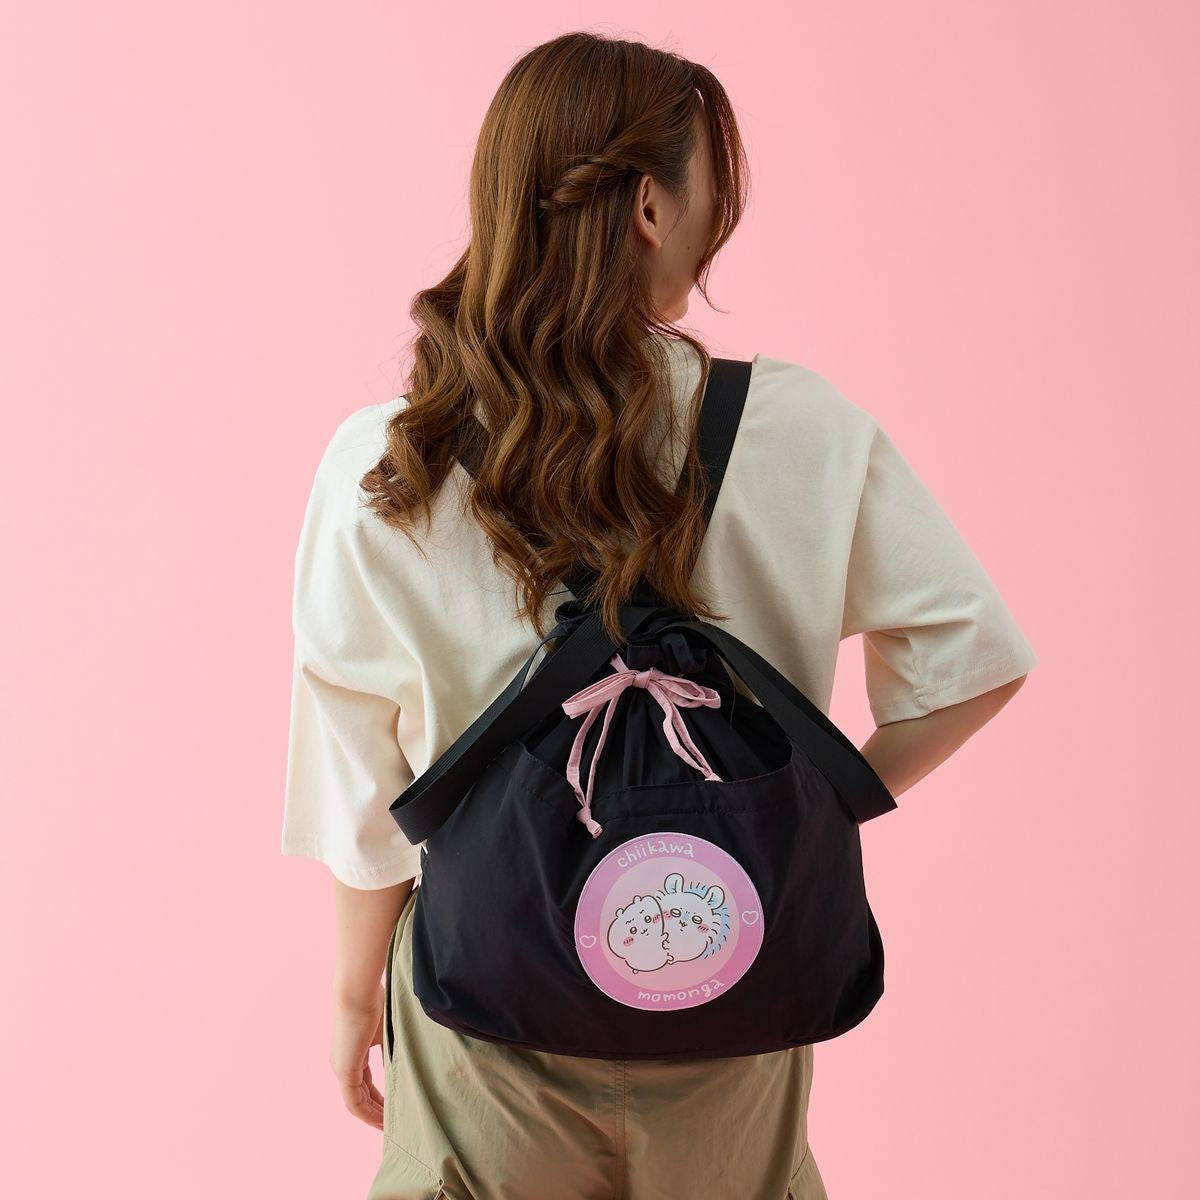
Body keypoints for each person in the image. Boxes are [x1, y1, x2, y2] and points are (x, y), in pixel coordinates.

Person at [281, 31, 1038, 1200]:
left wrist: (350, 997)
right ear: (648, 204)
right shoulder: (800, 429)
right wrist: (813, 808)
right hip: (730, 992)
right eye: (711, 188)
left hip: (487, 1008)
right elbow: (974, 660)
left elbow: (358, 785)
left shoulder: (388, 464)